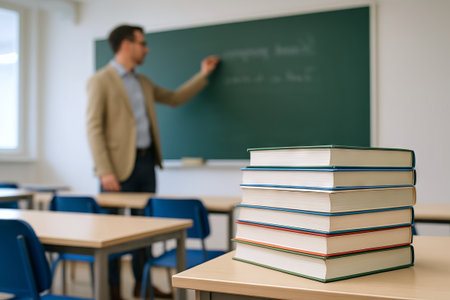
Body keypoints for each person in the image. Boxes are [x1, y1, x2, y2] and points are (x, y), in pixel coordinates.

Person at [86, 24, 219, 300]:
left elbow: (174, 98)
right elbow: (93, 127)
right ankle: (112, 290)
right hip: (115, 170)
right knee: (111, 233)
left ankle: (141, 284)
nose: (146, 49)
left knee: (144, 230)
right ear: (126, 44)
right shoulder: (101, 81)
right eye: (142, 43)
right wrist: (104, 170)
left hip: (146, 164)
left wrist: (203, 75)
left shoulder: (143, 82)